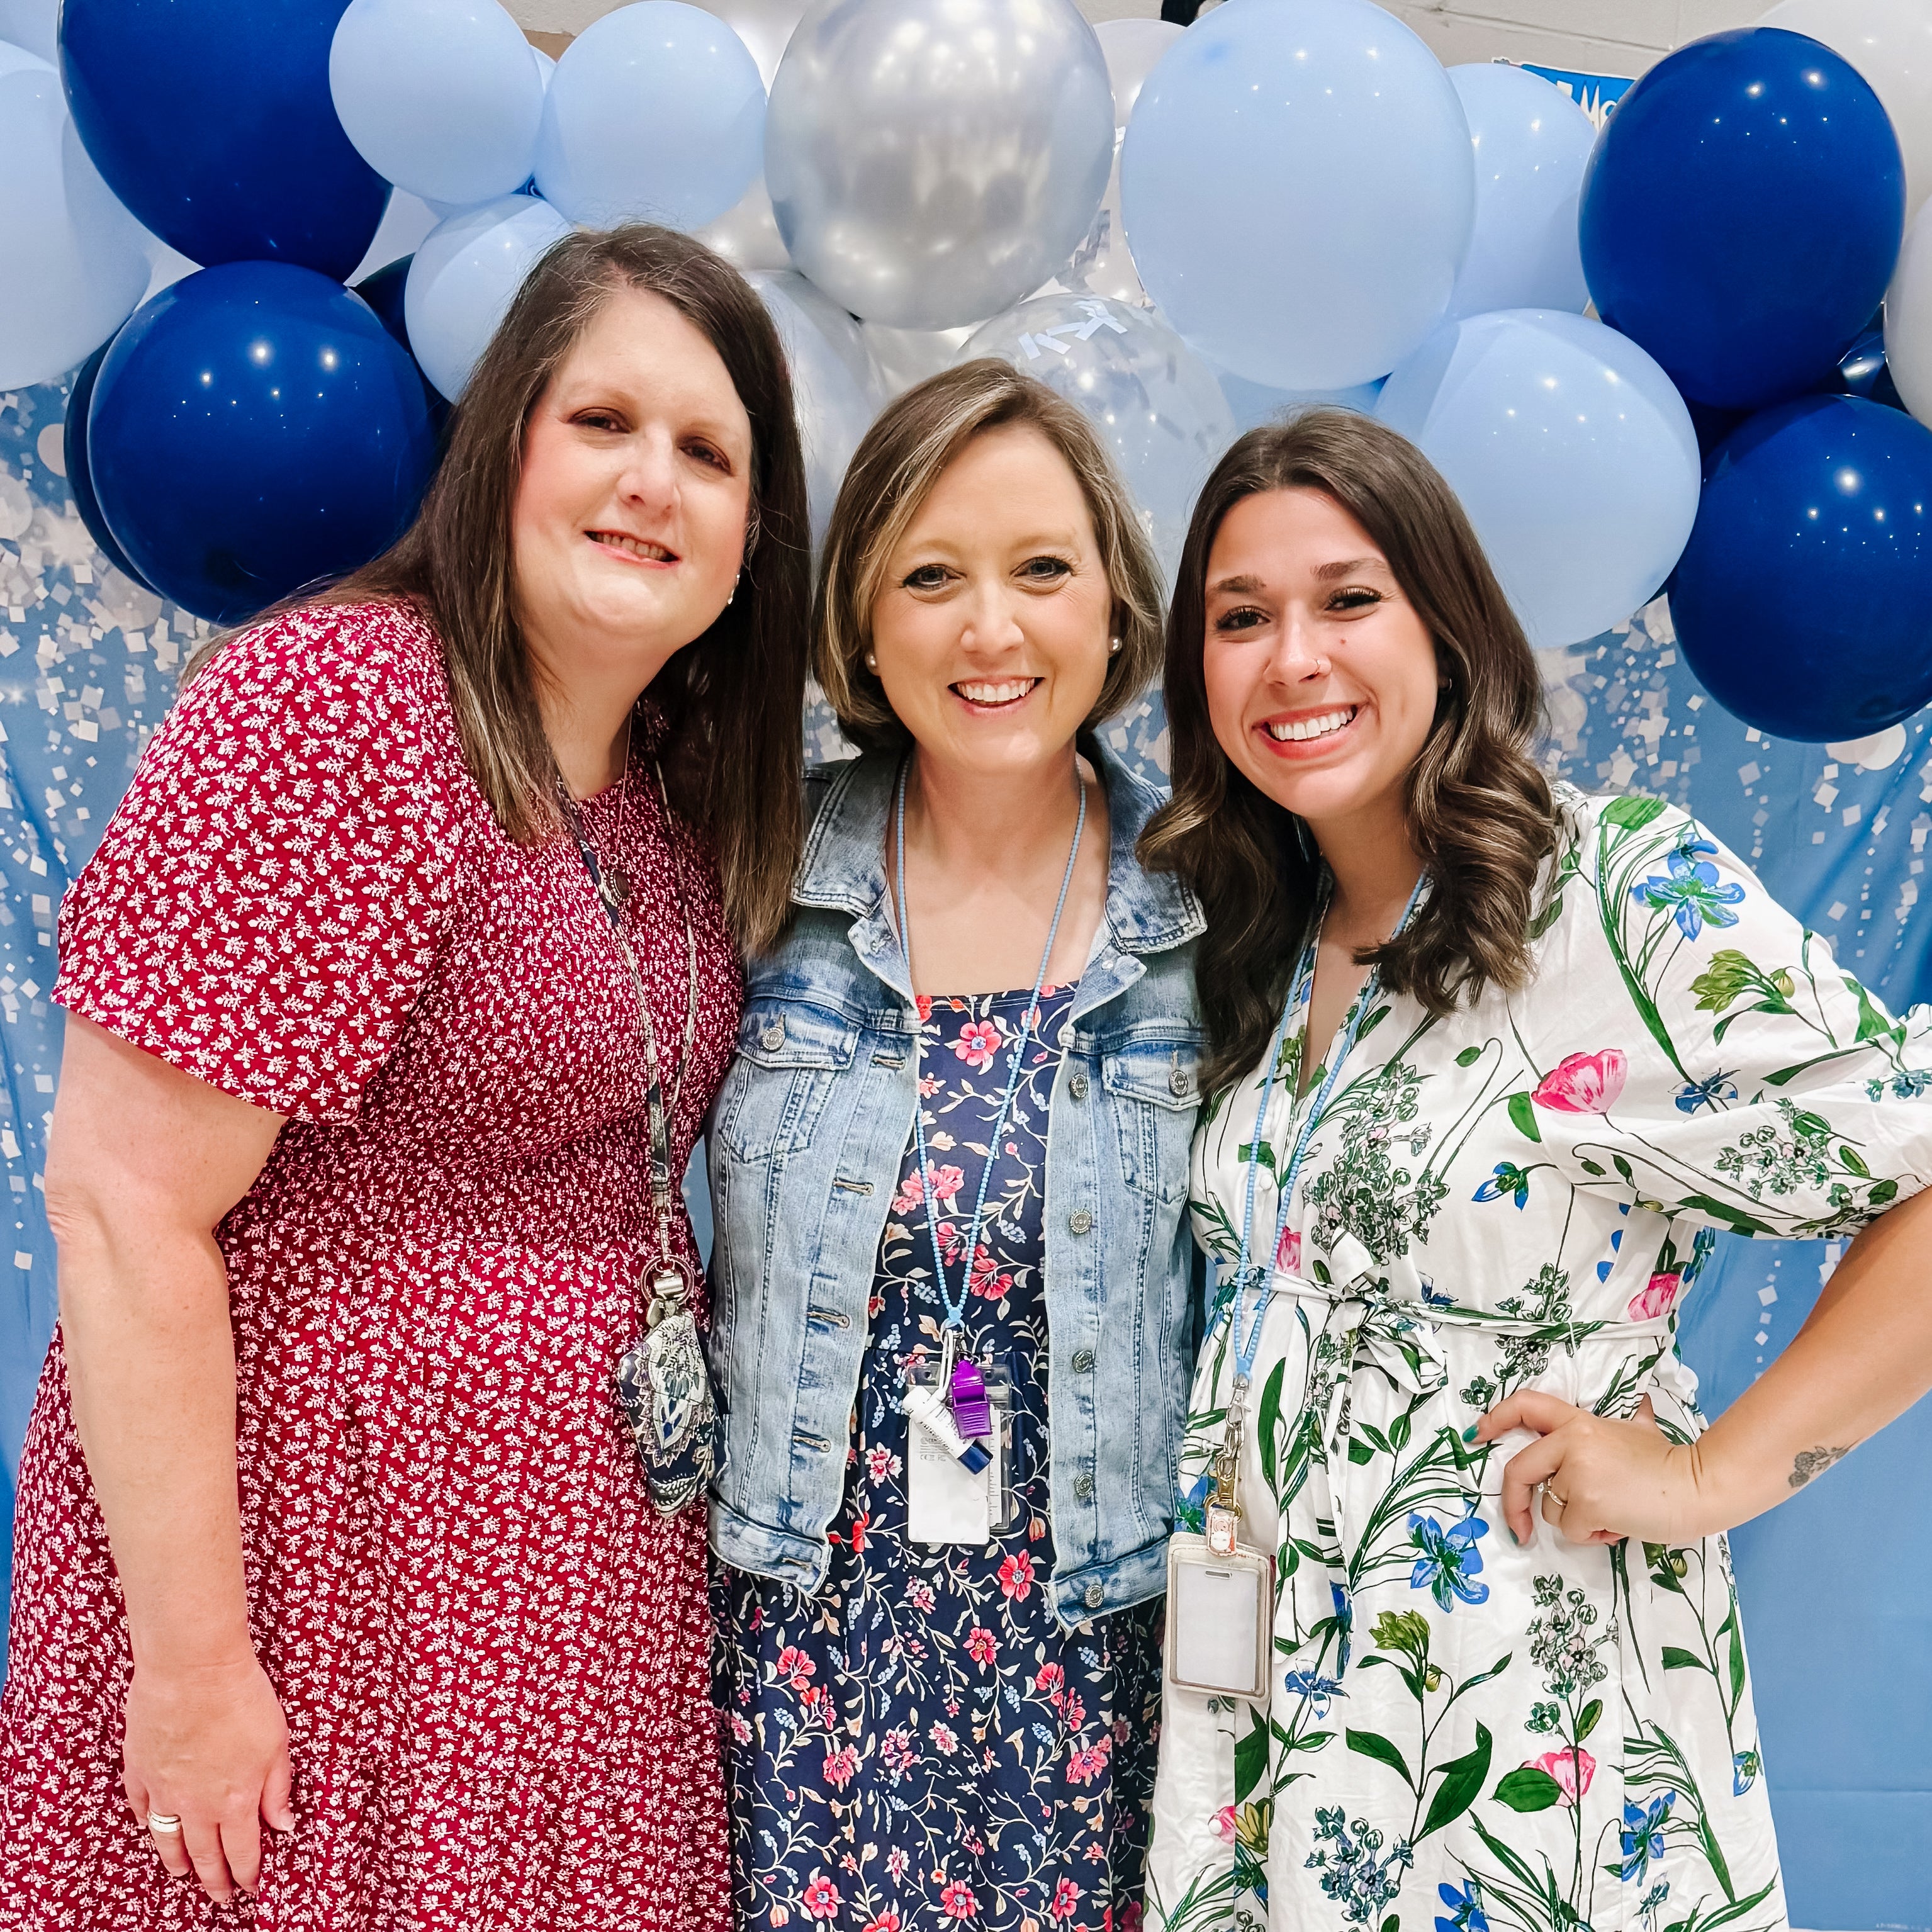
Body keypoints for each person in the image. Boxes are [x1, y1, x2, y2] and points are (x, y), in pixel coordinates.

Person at [0, 225, 811, 1926]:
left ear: (753, 536)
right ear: (503, 435)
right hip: (327, 1572)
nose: (650, 481)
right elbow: (123, 1204)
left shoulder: (659, 793)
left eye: (706, 450)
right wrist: (197, 1667)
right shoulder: (348, 709)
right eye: (602, 421)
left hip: (570, 1598)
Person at [1140, 410, 1932, 1931]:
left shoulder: (1610, 891)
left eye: (1346, 597)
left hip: (1512, 1708)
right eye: (1239, 619)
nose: (1291, 656)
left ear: (1445, 617)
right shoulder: (1248, 936)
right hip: (1267, 1700)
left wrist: (1711, 1476)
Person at [707, 359, 1202, 1931]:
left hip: (1101, 1640)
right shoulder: (752, 867)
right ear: (860, 623)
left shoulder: (1220, 909)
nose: (991, 630)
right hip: (803, 1638)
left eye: (1040, 570)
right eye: (931, 577)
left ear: (1117, 606)